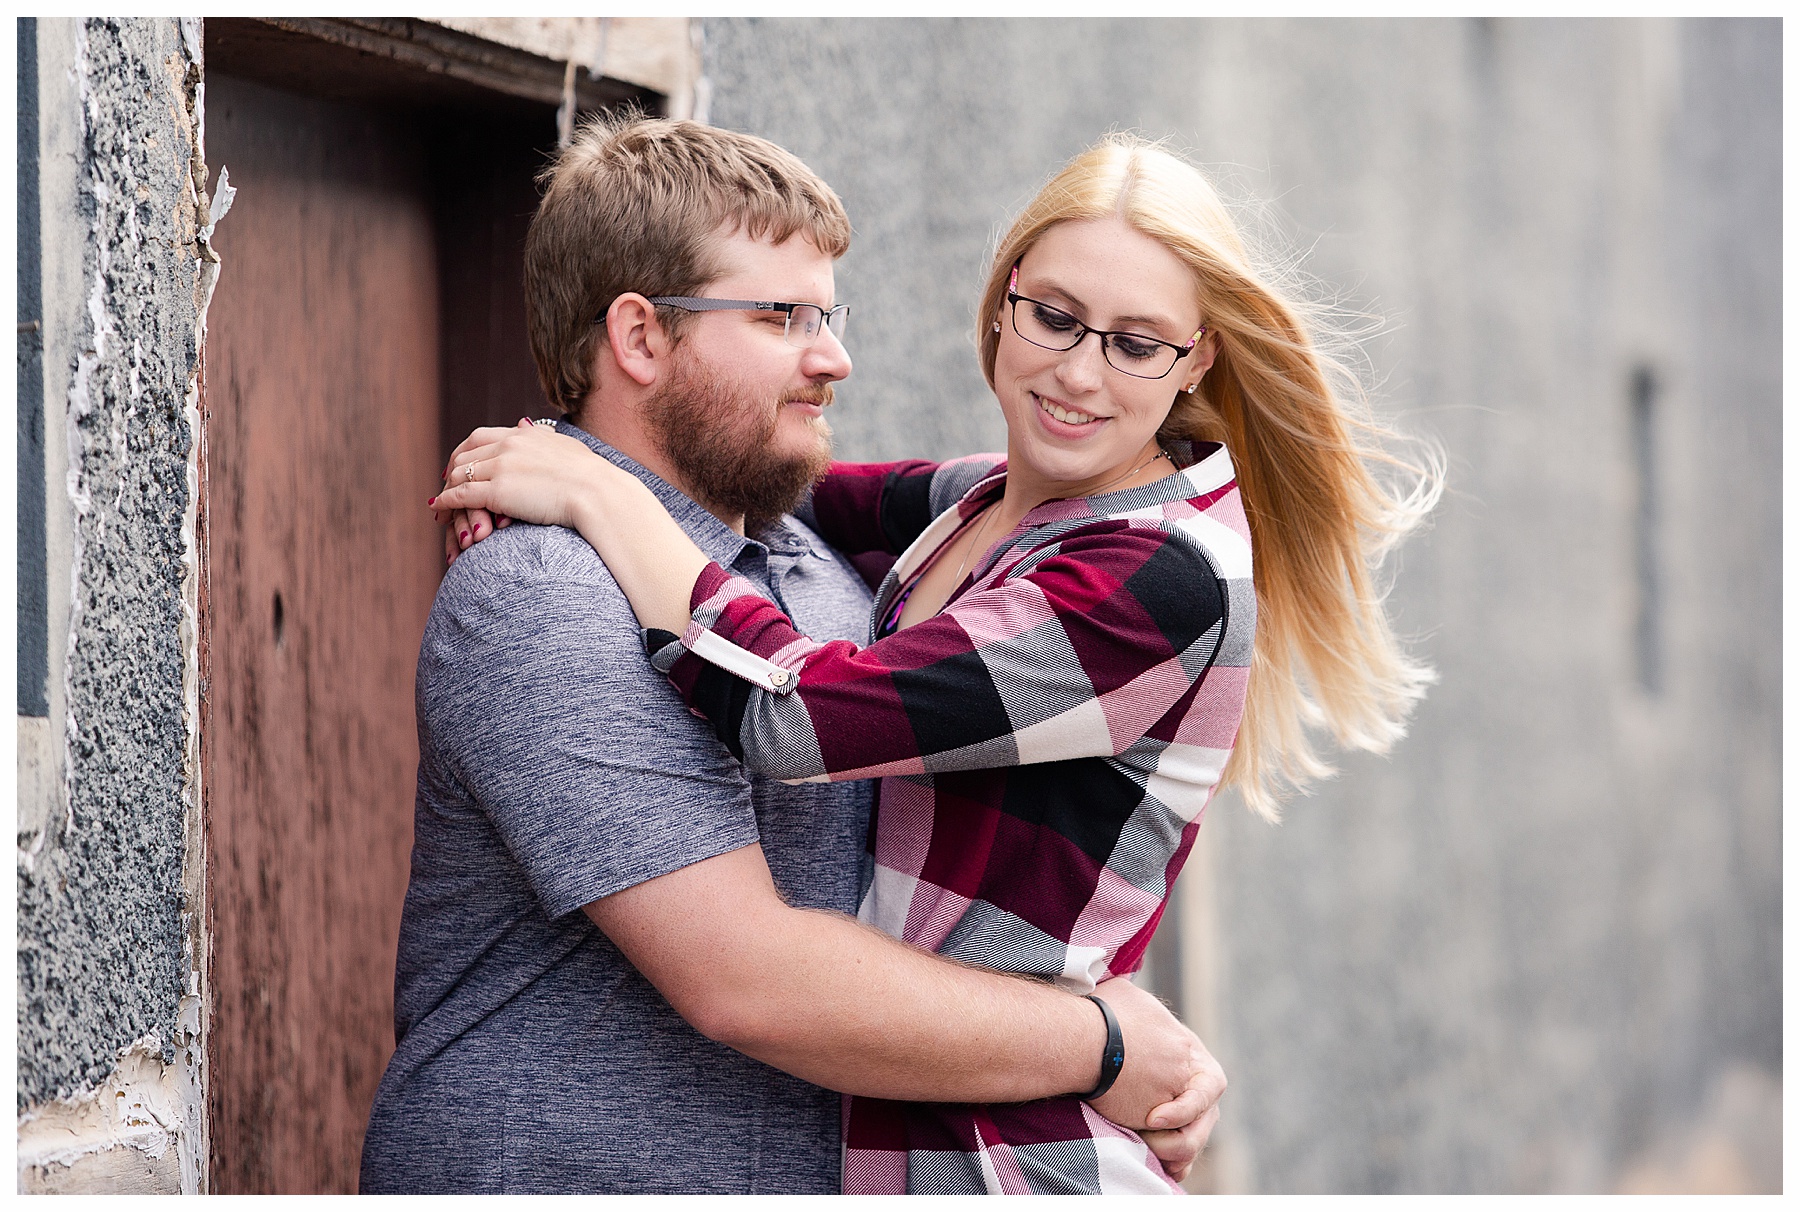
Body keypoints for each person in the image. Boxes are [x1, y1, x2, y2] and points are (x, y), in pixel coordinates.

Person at [436, 132, 1441, 1193]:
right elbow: (759, 484)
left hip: (1008, 1163)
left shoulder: (1151, 575)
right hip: (921, 1135)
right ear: (1003, 301)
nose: (1079, 370)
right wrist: (558, 457)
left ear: (1197, 362)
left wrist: (599, 496)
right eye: (1053, 317)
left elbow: (799, 719)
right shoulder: (989, 507)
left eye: (1138, 344)